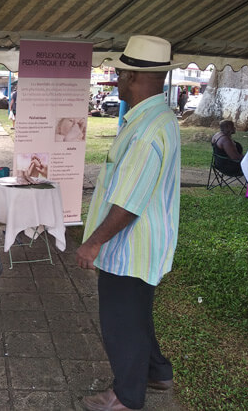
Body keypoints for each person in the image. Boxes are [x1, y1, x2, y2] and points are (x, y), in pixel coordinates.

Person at [77, 35, 183, 411]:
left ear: (133, 78)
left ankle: (126, 398)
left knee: (121, 322)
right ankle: (159, 372)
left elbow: (128, 204)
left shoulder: (146, 130)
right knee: (136, 313)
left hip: (130, 244)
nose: (117, 80)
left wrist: (93, 242)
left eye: (120, 74)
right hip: (143, 243)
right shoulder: (157, 118)